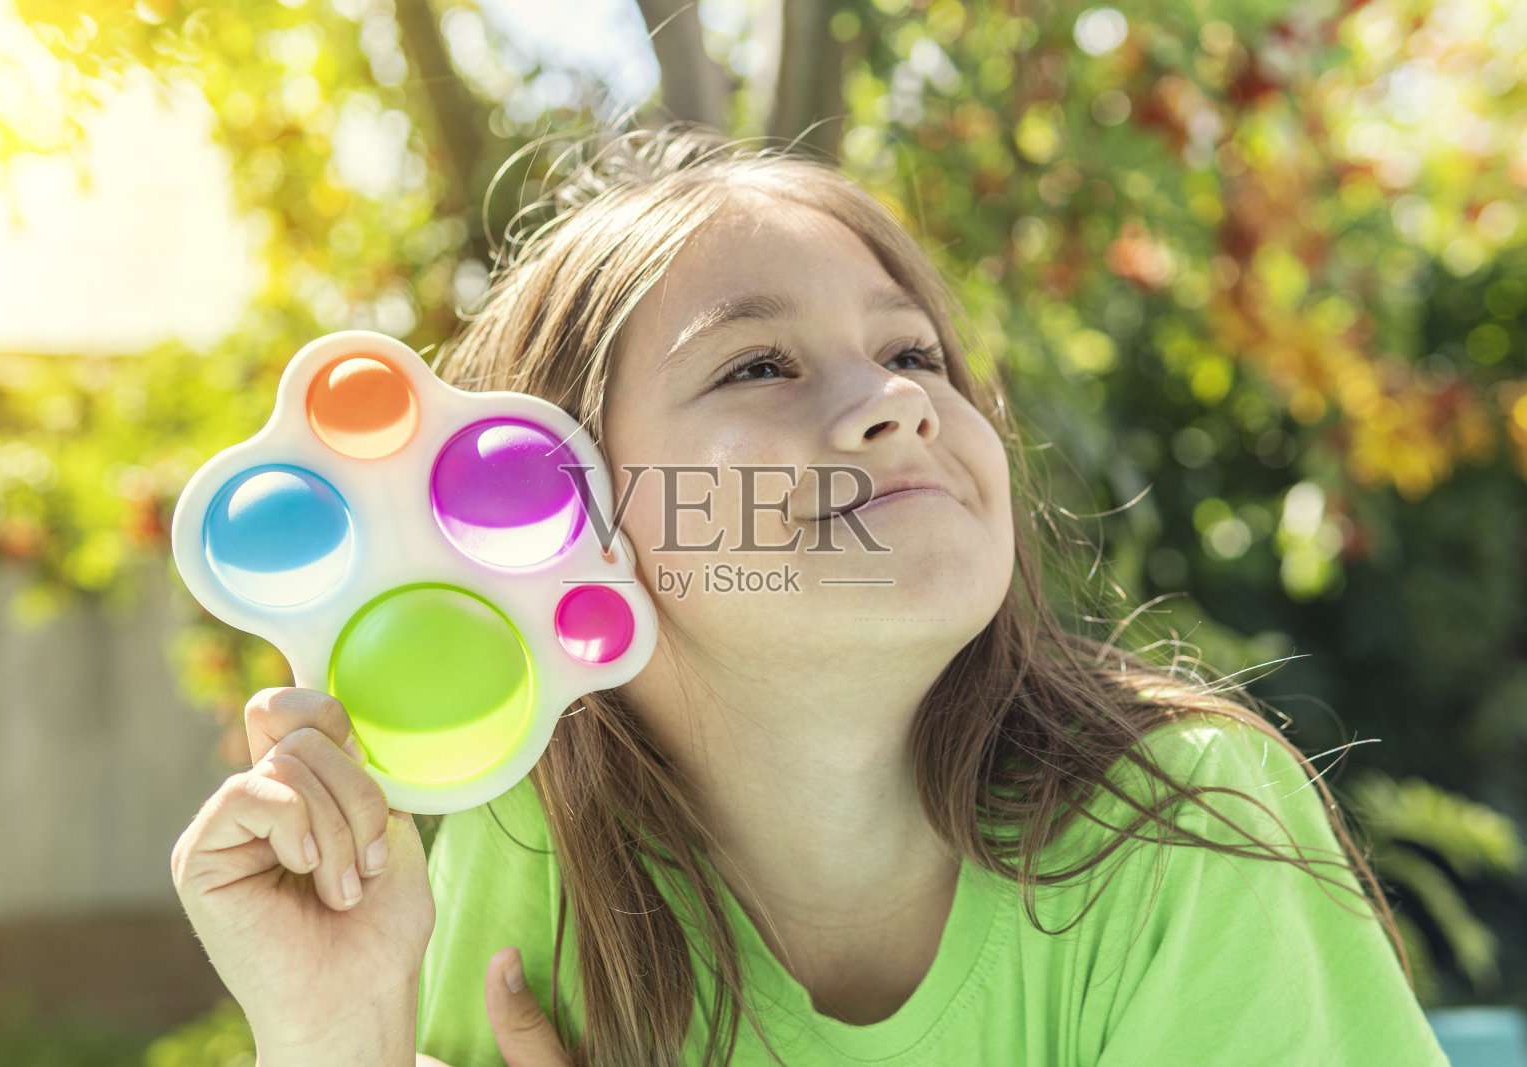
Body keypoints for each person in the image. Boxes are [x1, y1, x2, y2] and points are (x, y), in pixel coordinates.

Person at [171, 124, 1452, 1067]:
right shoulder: (539, 842)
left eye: (913, 351)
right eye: (758, 364)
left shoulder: (1174, 825)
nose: (897, 398)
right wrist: (335, 1032)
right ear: (556, 518)